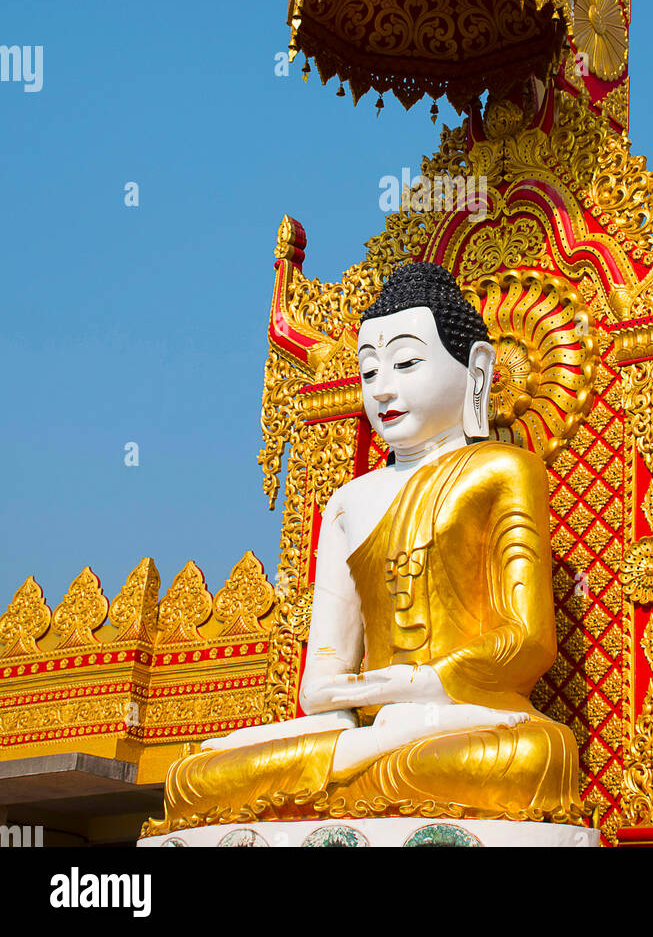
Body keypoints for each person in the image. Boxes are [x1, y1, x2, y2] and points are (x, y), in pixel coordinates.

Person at [145, 262, 583, 832]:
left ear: (476, 370)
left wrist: (415, 687)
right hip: (369, 729)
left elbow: (527, 643)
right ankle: (347, 768)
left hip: (471, 724)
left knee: (535, 757)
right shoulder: (349, 502)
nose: (383, 388)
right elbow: (323, 676)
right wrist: (360, 700)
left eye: (405, 363)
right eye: (369, 370)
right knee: (190, 777)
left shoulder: (503, 471)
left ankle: (333, 779)